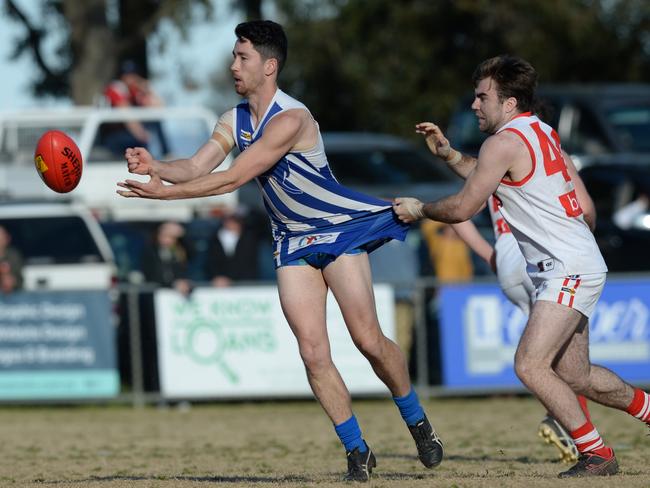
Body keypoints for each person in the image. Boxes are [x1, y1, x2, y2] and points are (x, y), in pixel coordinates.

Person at [116, 20, 443, 481]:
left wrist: (162, 195)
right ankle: (357, 451)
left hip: (336, 230)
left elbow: (233, 177)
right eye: (234, 55)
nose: (233, 65)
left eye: (242, 57)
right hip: (291, 240)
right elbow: (196, 166)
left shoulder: (293, 118)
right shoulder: (233, 119)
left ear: (269, 66)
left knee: (368, 340)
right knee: (312, 352)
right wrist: (159, 168)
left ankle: (416, 420)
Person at [394, 55, 650, 478]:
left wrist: (419, 208)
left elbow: (463, 207)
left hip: (564, 267)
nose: (475, 105)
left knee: (530, 365)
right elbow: (487, 173)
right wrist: (449, 154)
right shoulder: (537, 131)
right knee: (576, 375)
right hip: (577, 263)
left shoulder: (504, 141)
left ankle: (597, 454)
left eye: (482, 97)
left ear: (508, 102)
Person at [102, 60, 169, 156]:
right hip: (113, 137)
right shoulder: (116, 88)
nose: (130, 79)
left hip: (129, 134)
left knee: (155, 123)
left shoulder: (135, 91)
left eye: (133, 75)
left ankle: (166, 153)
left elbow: (159, 107)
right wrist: (142, 134)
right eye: (127, 75)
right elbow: (127, 115)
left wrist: (148, 90)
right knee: (143, 140)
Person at [206, 206, 262, 287]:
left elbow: (248, 264)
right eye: (228, 220)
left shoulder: (249, 238)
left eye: (235, 221)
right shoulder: (215, 238)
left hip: (245, 283)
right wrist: (217, 277)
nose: (231, 223)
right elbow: (211, 262)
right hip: (220, 284)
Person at [140, 221, 191, 295]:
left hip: (176, 294)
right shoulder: (150, 252)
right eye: (165, 236)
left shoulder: (179, 252)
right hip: (158, 294)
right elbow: (152, 275)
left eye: (172, 237)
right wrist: (172, 284)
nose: (168, 240)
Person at [0, 225, 23, 293]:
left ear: (7, 238)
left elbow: (20, 279)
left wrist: (12, 281)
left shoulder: (13, 255)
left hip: (11, 296)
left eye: (1, 236)